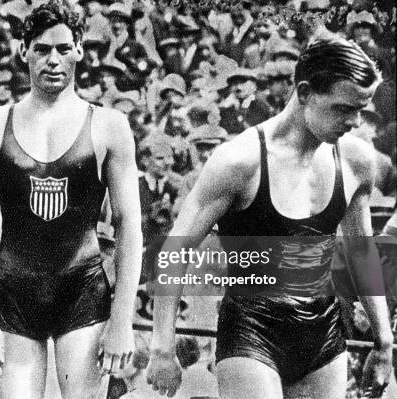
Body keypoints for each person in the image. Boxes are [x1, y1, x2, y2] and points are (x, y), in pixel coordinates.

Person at [146, 35, 394, 399]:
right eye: (343, 109)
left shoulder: (357, 160)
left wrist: (383, 340)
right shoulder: (238, 162)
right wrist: (162, 347)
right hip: (251, 332)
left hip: (322, 334)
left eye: (361, 109)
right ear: (305, 92)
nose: (355, 122)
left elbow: (361, 250)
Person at [0, 2, 142, 398]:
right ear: (23, 50)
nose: (53, 60)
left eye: (64, 48)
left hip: (81, 290)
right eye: (43, 49)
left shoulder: (110, 126)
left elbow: (130, 225)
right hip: (13, 288)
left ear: (80, 49)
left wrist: (122, 319)